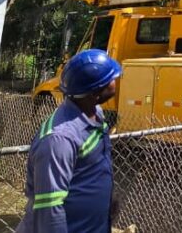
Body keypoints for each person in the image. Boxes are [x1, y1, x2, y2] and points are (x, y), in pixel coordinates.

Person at [15, 49, 122, 233]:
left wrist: (107, 200)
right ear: (94, 93)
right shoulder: (59, 139)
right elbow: (49, 207)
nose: (116, 81)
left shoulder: (95, 113)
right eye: (110, 79)